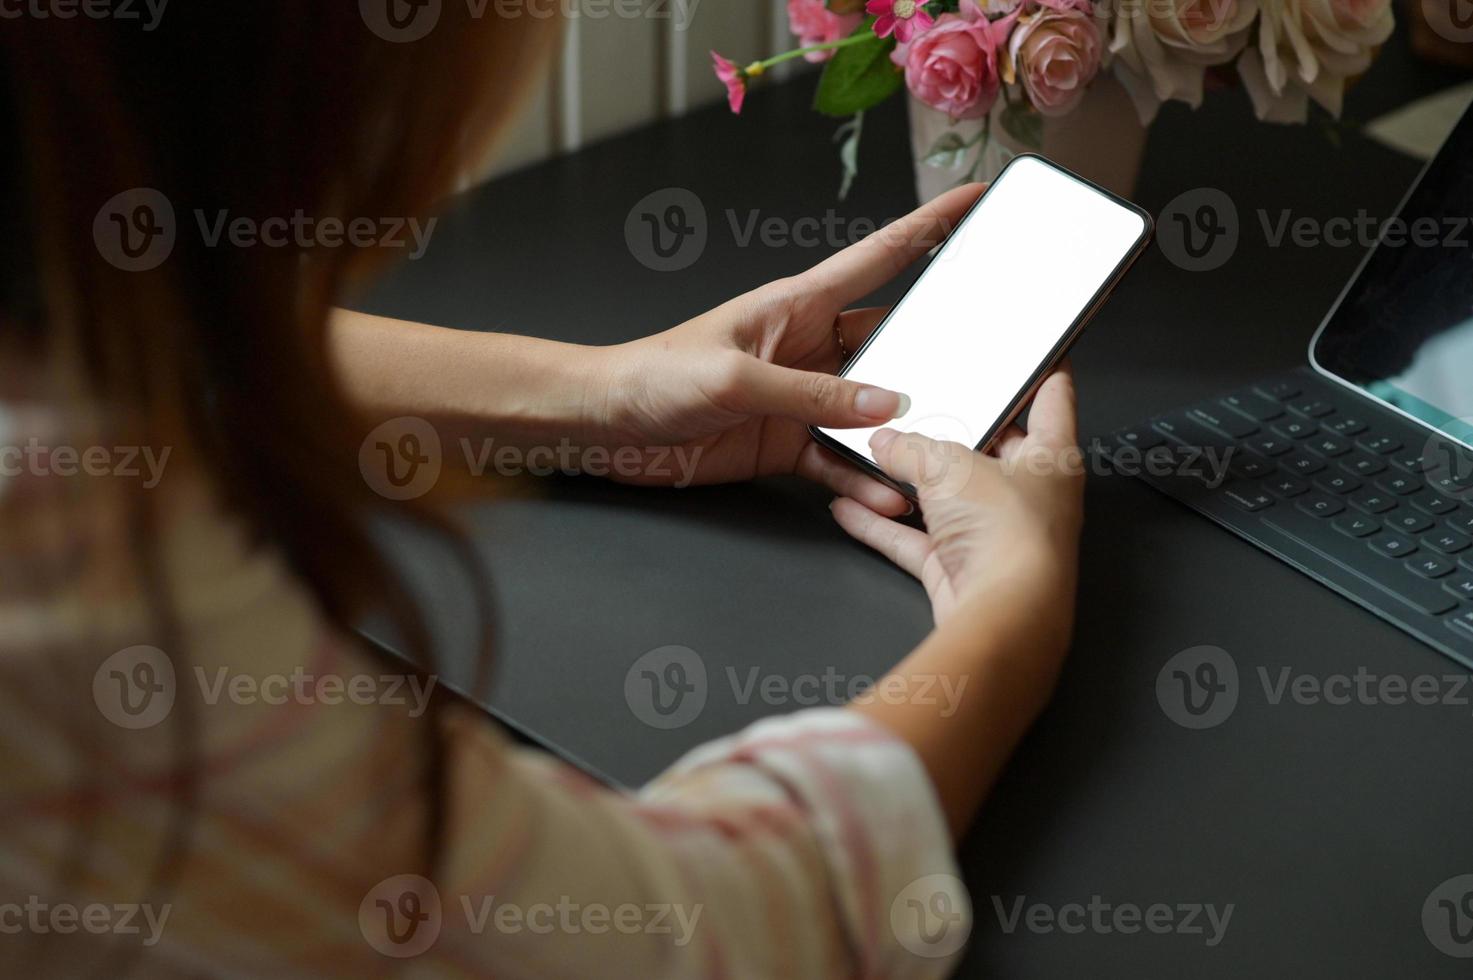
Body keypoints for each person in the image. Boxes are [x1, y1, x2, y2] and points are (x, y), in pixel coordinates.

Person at [0, 7, 1083, 976]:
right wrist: (1012, 610)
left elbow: (149, 347)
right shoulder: (84, 600)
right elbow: (698, 937)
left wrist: (606, 393)